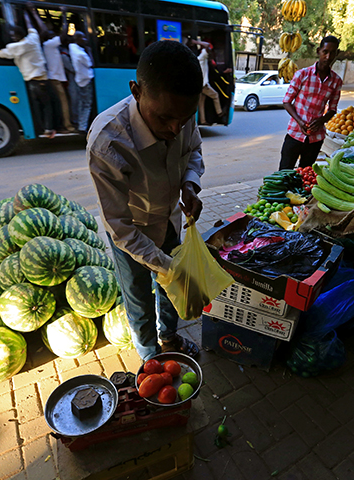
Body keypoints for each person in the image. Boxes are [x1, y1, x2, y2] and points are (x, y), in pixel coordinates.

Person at [86, 40, 204, 361]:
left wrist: (190, 185)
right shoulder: (108, 143)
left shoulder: (181, 112)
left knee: (171, 292)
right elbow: (120, 228)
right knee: (138, 297)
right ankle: (151, 358)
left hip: (168, 221)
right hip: (133, 235)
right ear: (136, 91)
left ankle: (169, 338)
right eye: (165, 118)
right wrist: (166, 267)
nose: (175, 128)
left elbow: (193, 149)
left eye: (184, 118)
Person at [279, 35, 343, 170]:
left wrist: (321, 121)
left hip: (316, 138)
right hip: (295, 133)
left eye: (332, 53)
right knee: (284, 172)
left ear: (337, 54)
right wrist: (300, 121)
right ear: (319, 51)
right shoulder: (302, 75)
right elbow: (287, 102)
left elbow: (332, 109)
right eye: (325, 52)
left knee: (306, 174)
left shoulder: (336, 81)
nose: (328, 56)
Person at [0, 10, 55, 138]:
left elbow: (2, 53)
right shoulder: (33, 39)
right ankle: (49, 129)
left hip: (31, 82)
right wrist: (26, 13)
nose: (13, 37)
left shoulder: (16, 47)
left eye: (14, 35)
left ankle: (40, 129)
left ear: (17, 35)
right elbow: (31, 28)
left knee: (37, 107)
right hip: (42, 80)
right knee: (47, 106)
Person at [30, 7, 75, 133]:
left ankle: (62, 125)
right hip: (55, 79)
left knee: (59, 103)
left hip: (53, 78)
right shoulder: (49, 44)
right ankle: (67, 126)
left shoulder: (45, 46)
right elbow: (64, 33)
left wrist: (34, 12)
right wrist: (65, 15)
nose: (55, 35)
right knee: (63, 104)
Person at [188, 38, 223, 124]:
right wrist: (197, 42)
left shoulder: (198, 58)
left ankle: (203, 120)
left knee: (201, 103)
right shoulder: (204, 56)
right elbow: (207, 45)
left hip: (199, 84)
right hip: (204, 84)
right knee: (215, 95)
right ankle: (219, 112)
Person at [70, 32, 95, 133]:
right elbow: (91, 63)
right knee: (87, 104)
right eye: (83, 38)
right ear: (77, 39)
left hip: (79, 80)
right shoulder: (81, 54)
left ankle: (79, 123)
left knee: (81, 103)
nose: (85, 40)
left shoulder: (72, 47)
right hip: (86, 81)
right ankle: (82, 127)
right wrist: (89, 50)